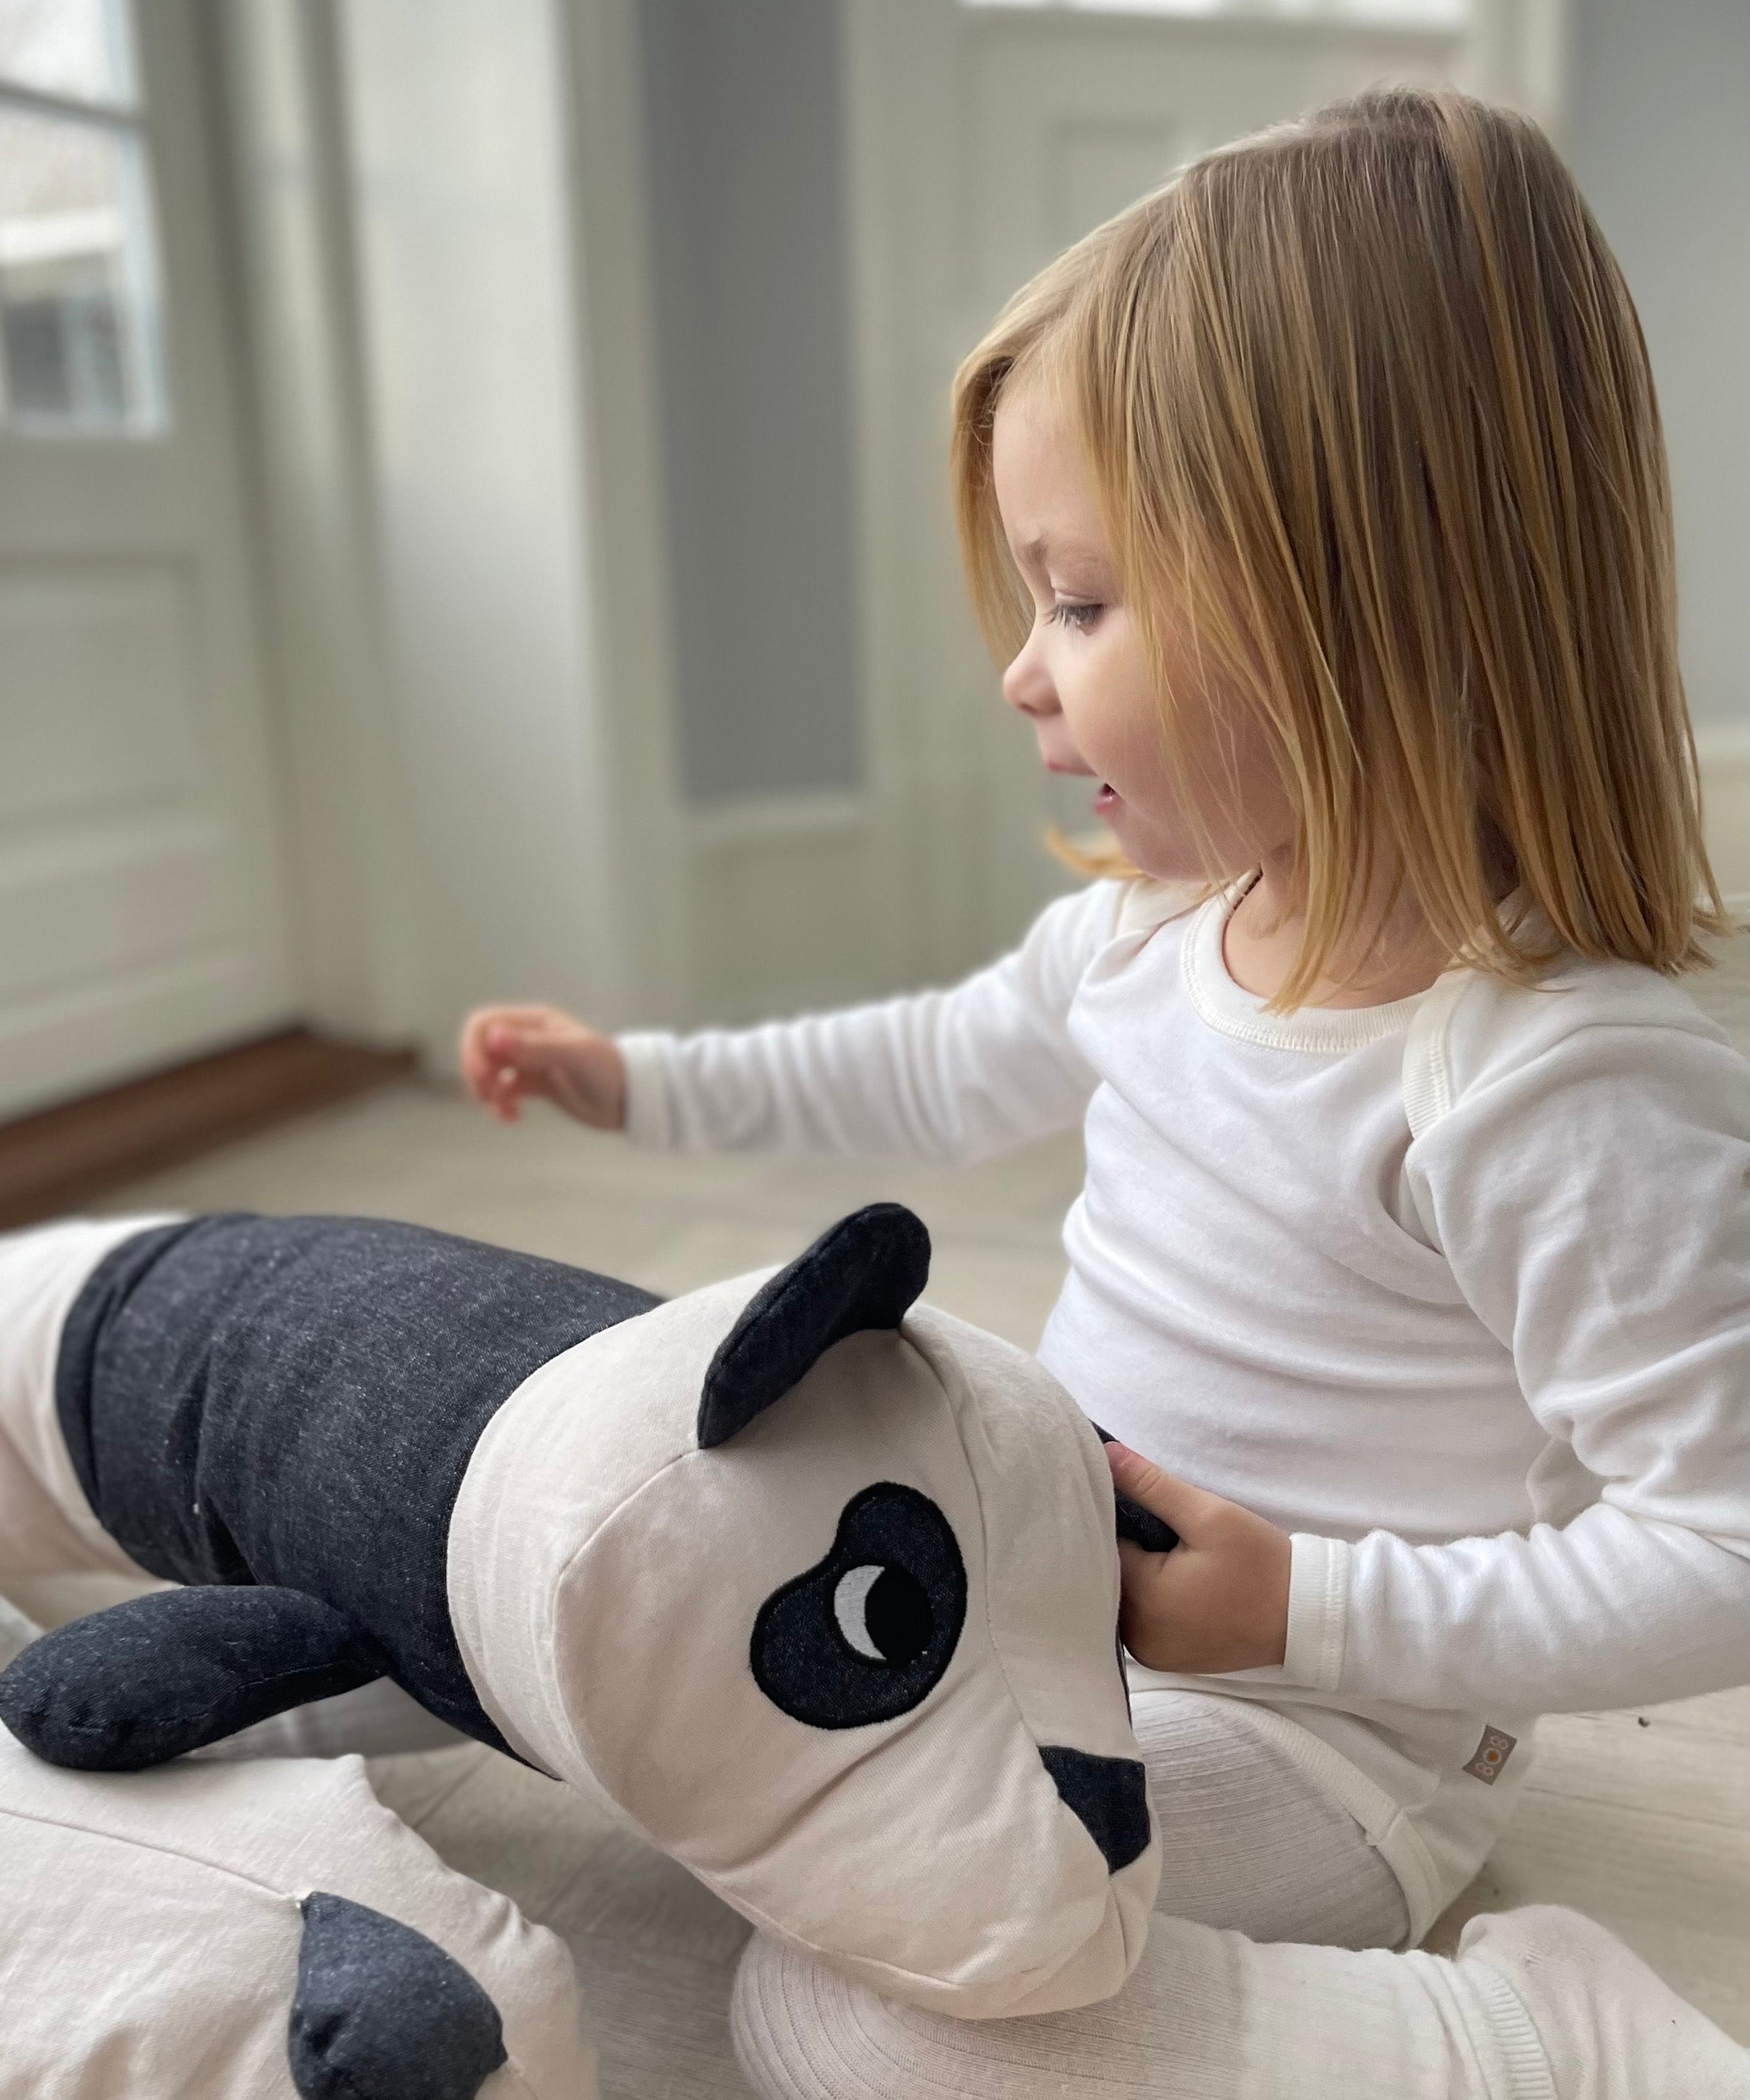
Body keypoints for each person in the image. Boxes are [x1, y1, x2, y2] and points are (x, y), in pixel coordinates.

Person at [462, 87, 1749, 2093]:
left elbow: (1724, 1545)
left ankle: (1521, 2033)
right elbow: (905, 1063)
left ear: (1356, 602)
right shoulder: (1152, 938)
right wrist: (635, 1081)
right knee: (696, 1718)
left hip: (1331, 1738)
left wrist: (1304, 1611)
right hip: (1062, 1611)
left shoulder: (1546, 1090)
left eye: (1078, 600)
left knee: (834, 2008)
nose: (1020, 672)